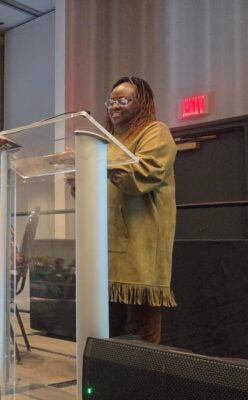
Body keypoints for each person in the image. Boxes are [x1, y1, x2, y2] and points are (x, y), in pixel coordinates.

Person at [104, 76, 177, 344]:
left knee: (141, 337)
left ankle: (142, 385)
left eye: (123, 100)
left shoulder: (155, 132)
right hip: (106, 254)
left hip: (139, 253)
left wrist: (99, 164)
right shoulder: (107, 141)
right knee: (108, 334)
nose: (115, 106)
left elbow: (143, 175)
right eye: (111, 100)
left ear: (142, 103)